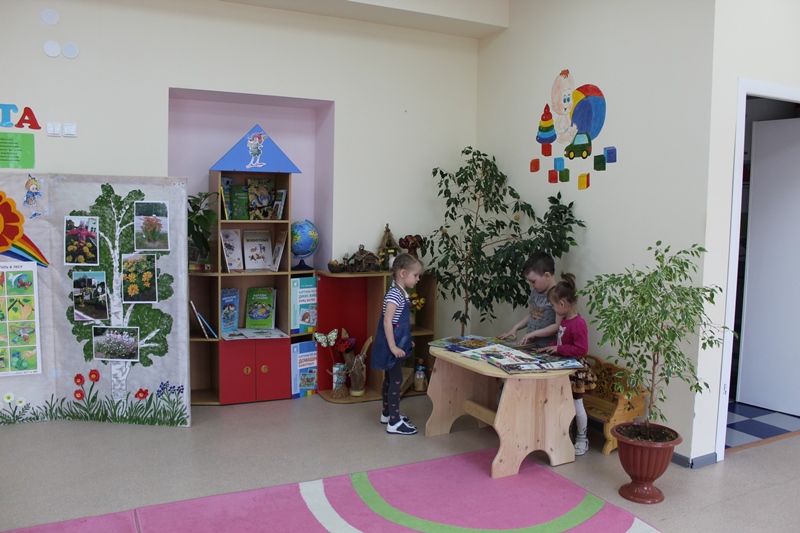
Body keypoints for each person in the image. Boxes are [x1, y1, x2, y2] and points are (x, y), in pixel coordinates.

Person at [539, 272, 596, 455]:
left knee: (577, 405)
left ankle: (582, 438)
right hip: (564, 367)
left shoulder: (578, 323)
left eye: (553, 305)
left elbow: (581, 349)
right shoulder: (565, 320)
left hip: (575, 370)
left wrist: (559, 349)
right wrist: (551, 347)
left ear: (562, 304)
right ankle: (565, 436)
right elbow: (563, 342)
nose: (553, 308)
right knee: (563, 403)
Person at [371, 253, 423, 435]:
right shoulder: (395, 294)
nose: (418, 279)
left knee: (389, 379)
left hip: (396, 342)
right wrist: (393, 347)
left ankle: (387, 413)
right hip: (390, 345)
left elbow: (400, 324)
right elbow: (388, 321)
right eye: (415, 275)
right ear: (402, 273)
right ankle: (394, 422)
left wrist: (407, 341)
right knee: (396, 380)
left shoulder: (401, 293)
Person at [498, 251, 562, 349]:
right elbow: (532, 315)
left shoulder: (559, 295)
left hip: (546, 348)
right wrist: (516, 327)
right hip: (530, 345)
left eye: (533, 281)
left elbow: (557, 326)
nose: (531, 285)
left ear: (547, 276)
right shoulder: (535, 292)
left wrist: (535, 333)